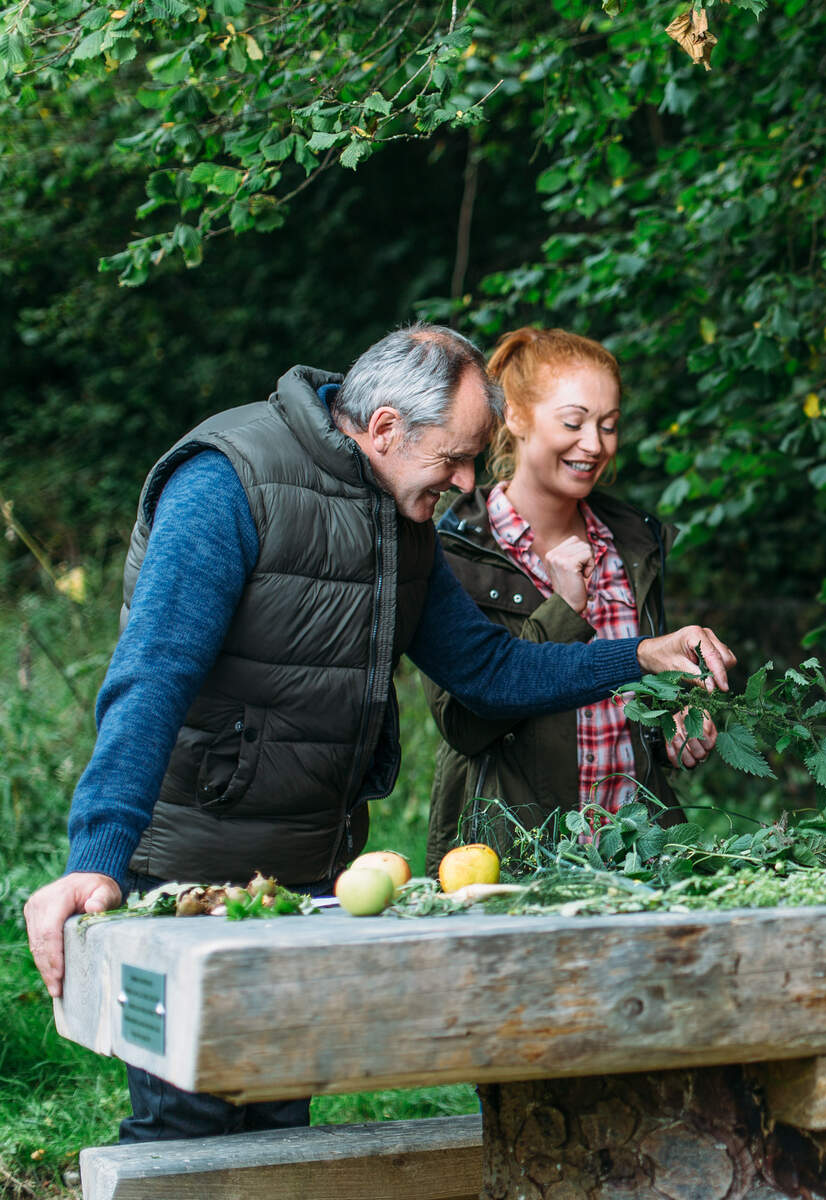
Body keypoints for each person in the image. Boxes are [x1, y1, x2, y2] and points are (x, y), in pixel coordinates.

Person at [21, 323, 735, 1145]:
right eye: (457, 457)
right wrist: (95, 856)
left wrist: (640, 653)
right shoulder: (229, 482)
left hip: (305, 874)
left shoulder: (404, 517)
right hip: (190, 872)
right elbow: (153, 676)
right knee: (189, 1132)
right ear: (387, 427)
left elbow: (492, 672)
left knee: (277, 1129)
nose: (469, 478)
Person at [426, 327, 712, 870]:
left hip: (638, 859)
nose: (595, 444)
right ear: (515, 417)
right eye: (574, 422)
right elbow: (462, 724)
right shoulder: (454, 549)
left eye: (608, 426)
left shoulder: (632, 541)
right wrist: (562, 610)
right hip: (511, 859)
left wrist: (679, 712)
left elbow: (641, 683)